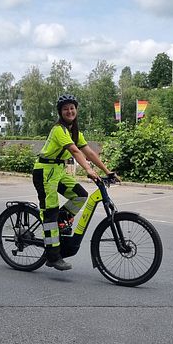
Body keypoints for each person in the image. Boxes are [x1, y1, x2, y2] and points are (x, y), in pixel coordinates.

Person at [32, 94, 117, 271]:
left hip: (58, 171)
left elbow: (89, 152)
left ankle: (61, 221)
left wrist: (107, 171)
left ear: (76, 110)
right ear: (60, 113)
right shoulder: (59, 130)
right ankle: (53, 256)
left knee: (80, 195)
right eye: (65, 109)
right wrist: (88, 170)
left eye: (72, 108)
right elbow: (74, 151)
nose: (69, 111)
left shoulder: (75, 131)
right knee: (50, 214)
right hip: (44, 172)